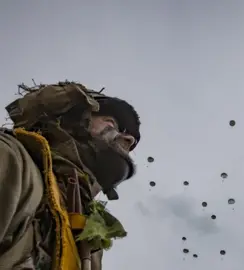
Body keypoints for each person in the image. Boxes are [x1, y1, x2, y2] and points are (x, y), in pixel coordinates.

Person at [0, 81, 141, 270]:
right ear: (75, 119)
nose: (129, 140)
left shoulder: (90, 242)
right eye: (112, 123)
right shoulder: (12, 160)